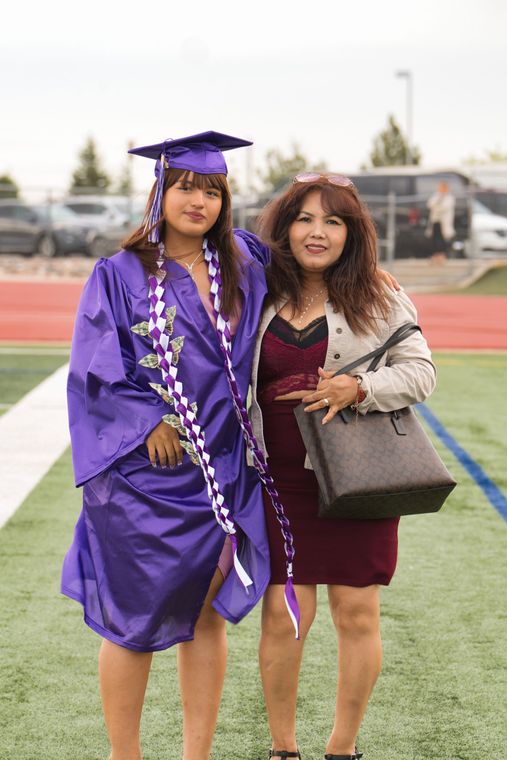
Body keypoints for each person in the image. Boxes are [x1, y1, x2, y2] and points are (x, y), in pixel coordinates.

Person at [61, 133, 398, 760]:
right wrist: (146, 423)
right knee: (132, 624)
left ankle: (197, 754)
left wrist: (365, 264)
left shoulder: (243, 263)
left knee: (208, 616)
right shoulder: (119, 274)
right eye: (186, 186)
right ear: (160, 192)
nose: (199, 201)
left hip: (221, 472)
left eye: (213, 191)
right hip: (143, 475)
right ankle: (124, 755)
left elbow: (316, 254)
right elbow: (93, 369)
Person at [249, 173, 437, 760]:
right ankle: (283, 748)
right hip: (278, 475)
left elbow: (420, 373)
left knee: (355, 611)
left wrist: (357, 387)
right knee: (284, 614)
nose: (317, 232)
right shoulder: (258, 288)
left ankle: (342, 748)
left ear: (352, 233)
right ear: (285, 227)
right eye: (304, 218)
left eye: (333, 221)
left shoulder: (378, 291)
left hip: (355, 474)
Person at [426, 180, 456, 262]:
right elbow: (430, 204)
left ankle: (442, 255)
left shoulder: (449, 198)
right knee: (435, 239)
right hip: (435, 220)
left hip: (444, 222)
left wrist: (436, 208)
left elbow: (445, 208)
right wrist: (437, 204)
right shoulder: (436, 196)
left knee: (442, 239)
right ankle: (435, 255)